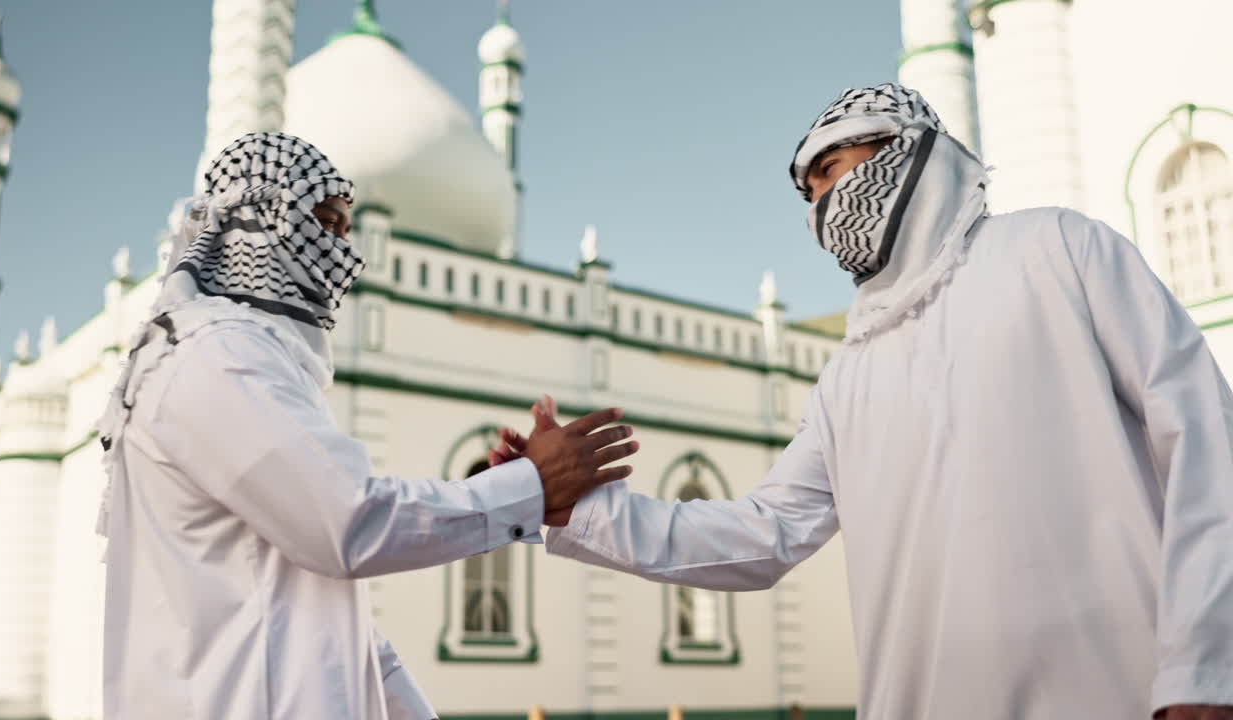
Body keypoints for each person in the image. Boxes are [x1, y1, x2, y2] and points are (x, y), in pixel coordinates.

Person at [491, 85, 1233, 719]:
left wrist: (1204, 664)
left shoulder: (1059, 250)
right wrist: (568, 505)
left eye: (833, 170)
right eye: (808, 191)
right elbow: (765, 533)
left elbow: (1203, 434)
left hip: (1123, 693)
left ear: (907, 152)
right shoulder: (848, 376)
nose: (822, 204)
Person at [94, 132, 639, 720]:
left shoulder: (254, 360)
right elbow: (347, 522)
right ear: (260, 219)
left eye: (346, 230)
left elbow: (334, 628)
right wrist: (532, 486)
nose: (342, 253)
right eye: (324, 223)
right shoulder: (217, 358)